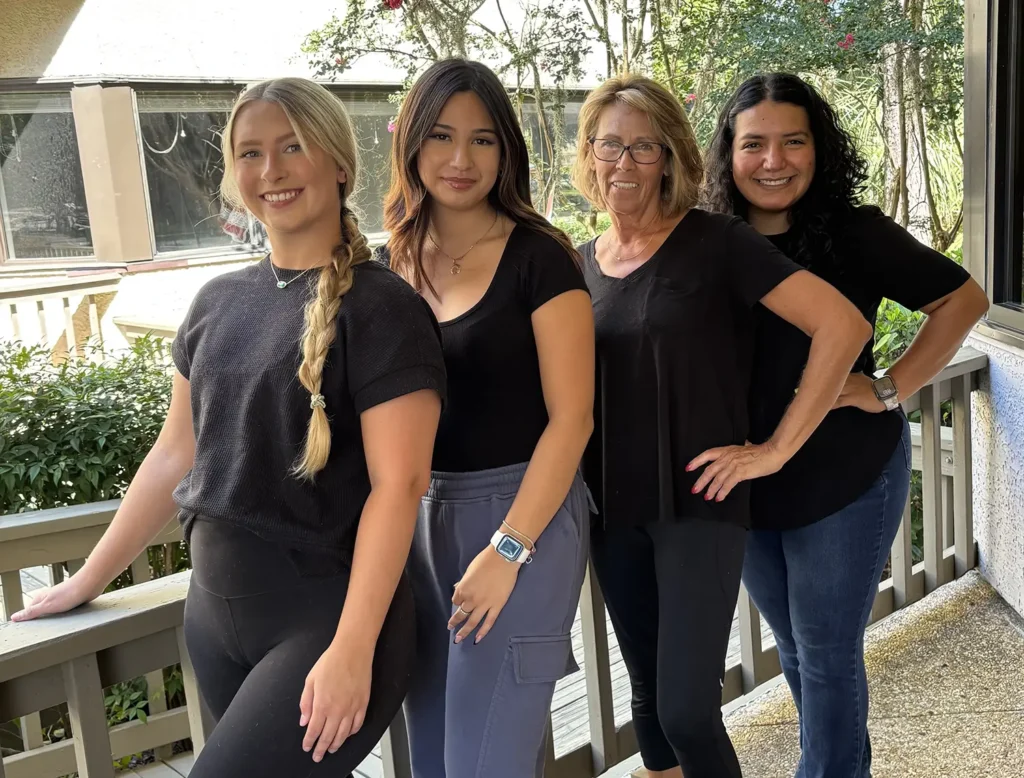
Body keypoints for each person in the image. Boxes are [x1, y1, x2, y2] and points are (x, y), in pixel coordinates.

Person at [12, 77, 446, 778]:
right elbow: (172, 456)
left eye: (290, 147)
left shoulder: (385, 310)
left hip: (326, 620)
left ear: (338, 161)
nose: (269, 171)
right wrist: (84, 578)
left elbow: (400, 486)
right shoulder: (217, 302)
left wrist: (353, 647)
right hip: (213, 615)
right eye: (249, 153)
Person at [572, 73, 873, 778]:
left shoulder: (718, 243)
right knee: (647, 705)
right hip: (611, 508)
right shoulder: (577, 263)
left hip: (700, 506)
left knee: (685, 711)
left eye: (644, 147)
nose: (624, 163)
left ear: (671, 156)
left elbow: (843, 325)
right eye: (609, 145)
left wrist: (773, 451)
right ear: (588, 155)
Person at [701, 72, 989, 778]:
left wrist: (889, 386)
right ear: (728, 154)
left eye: (793, 142)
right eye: (755, 144)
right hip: (751, 480)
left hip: (845, 474)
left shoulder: (853, 232)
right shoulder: (708, 239)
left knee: (827, 655)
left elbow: (964, 299)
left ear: (818, 149)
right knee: (798, 651)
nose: (774, 161)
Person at [376, 59, 595, 778]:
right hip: (414, 519)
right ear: (411, 145)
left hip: (520, 515)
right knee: (436, 759)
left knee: (485, 762)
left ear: (507, 151)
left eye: (483, 140)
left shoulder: (541, 259)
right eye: (440, 137)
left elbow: (573, 420)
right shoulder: (390, 263)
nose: (461, 159)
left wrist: (507, 552)